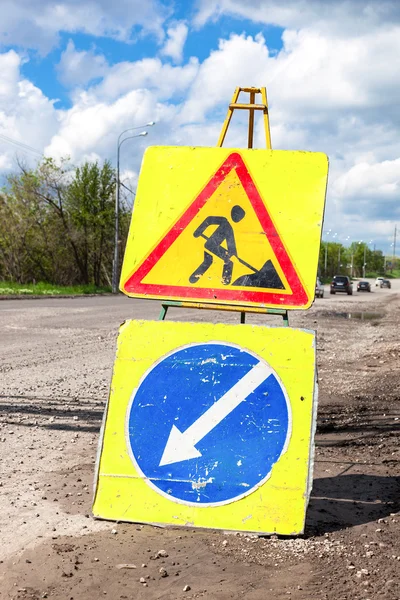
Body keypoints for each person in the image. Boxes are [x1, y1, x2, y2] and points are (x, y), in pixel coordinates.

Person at [189, 205, 245, 285]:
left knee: (209, 261)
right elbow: (209, 220)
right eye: (238, 216)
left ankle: (194, 278)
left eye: (240, 218)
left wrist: (234, 254)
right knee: (225, 260)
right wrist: (198, 231)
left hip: (213, 246)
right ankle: (225, 279)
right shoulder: (224, 221)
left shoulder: (230, 227)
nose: (238, 219)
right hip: (211, 245)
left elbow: (231, 243)